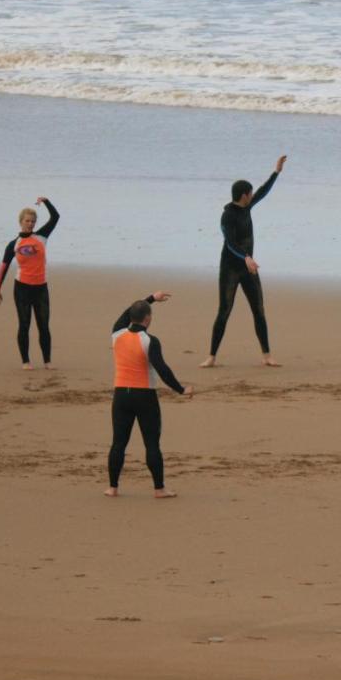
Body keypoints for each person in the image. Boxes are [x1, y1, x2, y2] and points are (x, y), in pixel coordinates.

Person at [202, 155, 287, 368]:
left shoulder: (246, 207)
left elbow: (262, 192)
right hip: (231, 269)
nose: (252, 196)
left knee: (258, 310)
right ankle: (211, 357)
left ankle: (267, 355)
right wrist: (247, 257)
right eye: (249, 194)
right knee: (224, 311)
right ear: (243, 196)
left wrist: (276, 172)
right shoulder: (227, 216)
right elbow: (230, 243)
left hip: (249, 269)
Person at [107, 292, 193, 498]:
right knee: (152, 444)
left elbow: (126, 312)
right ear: (148, 319)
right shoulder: (149, 340)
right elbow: (162, 369)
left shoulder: (116, 334)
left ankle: (113, 487)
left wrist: (151, 298)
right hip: (144, 396)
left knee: (118, 443)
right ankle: (159, 488)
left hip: (121, 396)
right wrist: (181, 389)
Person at [0, 197, 60, 370]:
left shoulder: (41, 237)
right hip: (22, 288)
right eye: (27, 221)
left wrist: (46, 201)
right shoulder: (13, 244)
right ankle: (26, 361)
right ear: (21, 222)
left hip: (41, 288)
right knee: (24, 324)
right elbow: (4, 267)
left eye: (33, 221)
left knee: (43, 325)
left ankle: (47, 361)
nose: (30, 224)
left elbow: (55, 217)